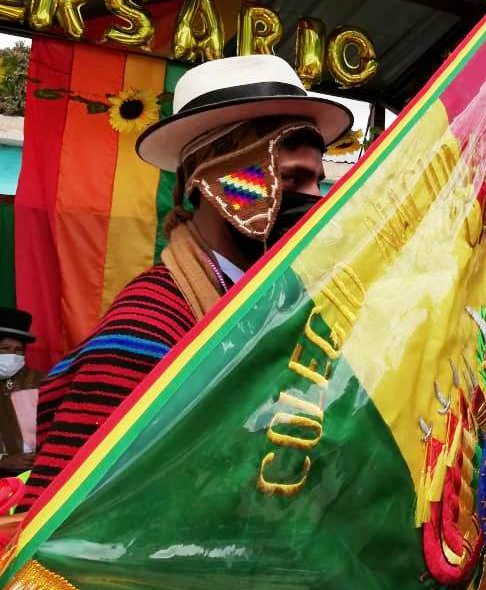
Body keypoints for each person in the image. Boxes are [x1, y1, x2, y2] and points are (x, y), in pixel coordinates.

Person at [21, 55, 351, 510]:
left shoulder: (284, 304)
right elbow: (77, 520)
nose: (313, 202)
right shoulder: (148, 325)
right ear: (214, 182)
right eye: (292, 179)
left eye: (318, 183)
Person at [0, 308, 44, 476]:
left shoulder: (40, 382)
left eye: (18, 350)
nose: (12, 355)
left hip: (33, 474)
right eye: (5, 348)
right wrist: (3, 460)